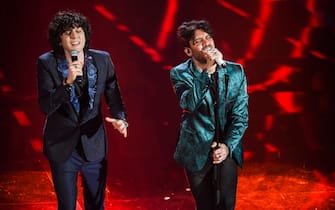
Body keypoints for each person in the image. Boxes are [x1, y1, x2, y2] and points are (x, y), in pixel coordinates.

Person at [37, 10, 128, 210]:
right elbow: (45, 106)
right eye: (68, 32)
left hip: (93, 144)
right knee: (67, 206)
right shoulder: (47, 63)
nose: (75, 36)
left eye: (79, 31)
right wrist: (67, 84)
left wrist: (120, 118)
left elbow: (113, 94)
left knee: (96, 204)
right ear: (59, 39)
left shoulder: (102, 59)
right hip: (62, 147)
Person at [169, 20, 248, 210]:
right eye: (199, 41)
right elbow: (188, 103)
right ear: (188, 50)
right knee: (205, 205)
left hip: (227, 145)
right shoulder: (179, 73)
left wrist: (228, 147)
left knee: (226, 205)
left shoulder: (235, 71)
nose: (207, 44)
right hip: (195, 148)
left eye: (208, 38)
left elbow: (240, 115)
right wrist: (207, 71)